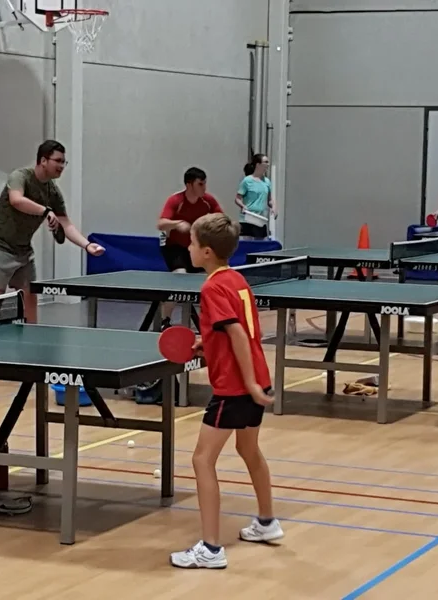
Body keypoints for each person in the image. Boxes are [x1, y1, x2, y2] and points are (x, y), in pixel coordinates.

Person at [170, 213, 282, 568]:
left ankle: (211, 549)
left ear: (206, 251)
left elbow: (237, 333)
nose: (188, 248)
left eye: (191, 243)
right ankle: (266, 522)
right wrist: (207, 343)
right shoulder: (236, 279)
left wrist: (247, 383)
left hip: (235, 386)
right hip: (256, 376)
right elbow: (241, 328)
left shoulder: (212, 288)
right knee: (248, 448)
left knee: (202, 459)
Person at [0, 140, 104, 322]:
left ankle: (32, 332)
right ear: (43, 160)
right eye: (58, 161)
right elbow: (16, 200)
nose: (62, 166)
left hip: (23, 250)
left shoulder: (52, 192)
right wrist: (45, 211)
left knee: (30, 294)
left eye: (64, 162)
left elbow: (66, 224)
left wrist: (87, 245)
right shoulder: (20, 176)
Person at [155, 167, 223, 329]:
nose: (204, 187)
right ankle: (165, 320)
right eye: (200, 184)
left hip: (197, 248)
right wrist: (177, 224)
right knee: (180, 276)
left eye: (205, 183)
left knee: (210, 279)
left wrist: (209, 223)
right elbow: (161, 224)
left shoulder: (208, 201)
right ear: (189, 184)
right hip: (174, 247)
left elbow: (221, 218)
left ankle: (213, 320)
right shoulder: (175, 200)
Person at [235, 153, 275, 239]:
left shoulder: (267, 181)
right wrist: (243, 206)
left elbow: (270, 199)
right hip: (247, 218)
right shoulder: (247, 181)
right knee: (247, 243)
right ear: (258, 164)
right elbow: (238, 198)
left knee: (260, 243)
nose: (268, 164)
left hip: (260, 219)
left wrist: (274, 207)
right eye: (266, 162)